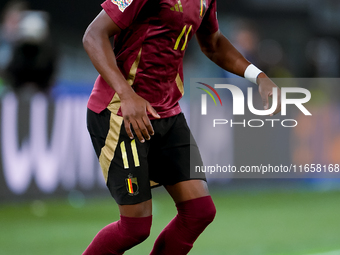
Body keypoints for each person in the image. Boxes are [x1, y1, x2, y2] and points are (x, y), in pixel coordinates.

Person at [82, 0, 281, 254]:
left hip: (167, 113)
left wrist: (257, 76)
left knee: (199, 212)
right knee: (135, 227)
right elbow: (93, 35)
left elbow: (213, 42)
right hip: (122, 113)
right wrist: (126, 93)